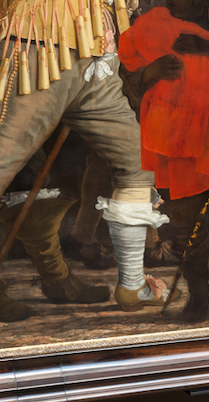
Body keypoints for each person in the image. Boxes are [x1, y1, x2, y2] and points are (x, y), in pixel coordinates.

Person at [0, 0, 175, 319]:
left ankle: (133, 285)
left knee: (137, 160)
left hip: (96, 51)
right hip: (39, 42)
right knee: (3, 163)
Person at [119, 0, 209, 322]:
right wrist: (147, 74)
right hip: (176, 136)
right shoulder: (152, 22)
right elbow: (128, 76)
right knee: (187, 221)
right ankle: (198, 298)